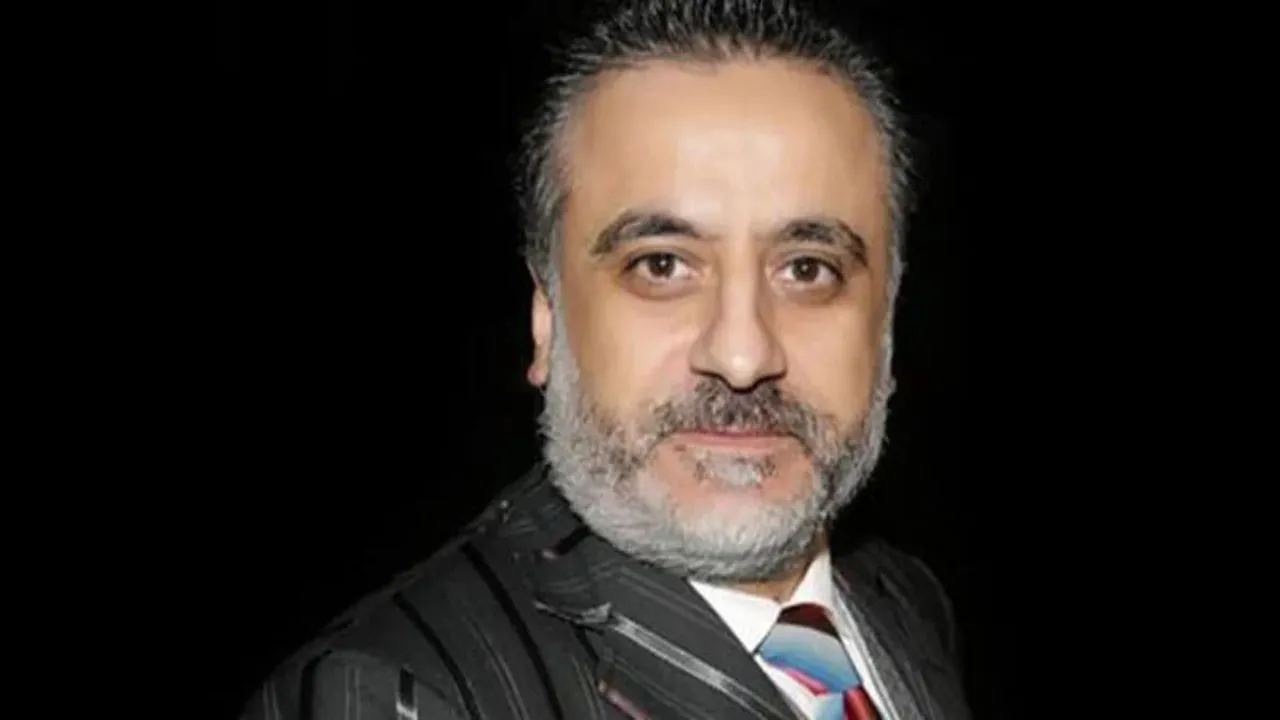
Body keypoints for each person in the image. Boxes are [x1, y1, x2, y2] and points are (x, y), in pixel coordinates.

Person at [240, 0, 970, 717]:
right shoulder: (388, 695)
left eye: (808, 269)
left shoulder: (901, 602)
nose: (743, 356)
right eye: (661, 265)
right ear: (547, 319)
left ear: (887, 323)